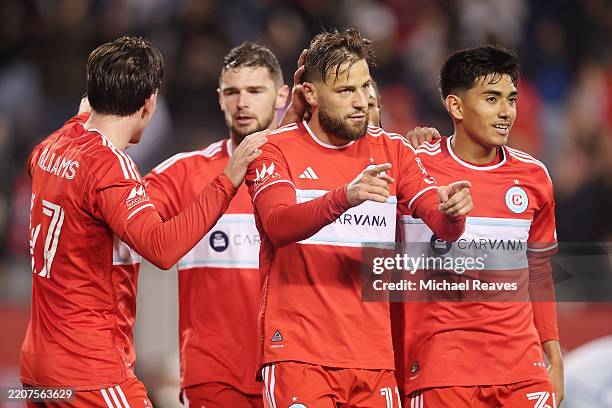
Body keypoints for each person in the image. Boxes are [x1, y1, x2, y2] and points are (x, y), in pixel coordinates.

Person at [20, 36, 266, 407]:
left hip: (38, 369)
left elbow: (73, 137)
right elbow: (162, 248)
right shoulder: (110, 167)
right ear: (149, 103)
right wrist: (228, 178)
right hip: (90, 367)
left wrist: (84, 116)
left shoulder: (51, 146)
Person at [245, 28, 473, 407]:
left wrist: (454, 212)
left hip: (373, 360)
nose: (361, 101)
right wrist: (344, 197)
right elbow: (278, 224)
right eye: (345, 91)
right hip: (298, 355)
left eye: (365, 87)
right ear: (311, 95)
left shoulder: (393, 150)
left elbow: (441, 222)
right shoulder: (275, 150)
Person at [398, 45, 563, 407]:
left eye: (511, 99)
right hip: (444, 370)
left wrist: (554, 355)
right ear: (456, 106)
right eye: (492, 99)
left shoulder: (534, 177)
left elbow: (539, 270)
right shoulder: (412, 165)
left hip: (523, 370)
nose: (506, 112)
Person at [142, 42, 288, 407]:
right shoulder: (181, 175)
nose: (242, 103)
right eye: (232, 92)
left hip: (294, 371)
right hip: (214, 378)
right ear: (219, 98)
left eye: (255, 91)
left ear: (282, 95)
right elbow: (117, 214)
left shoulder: (311, 175)